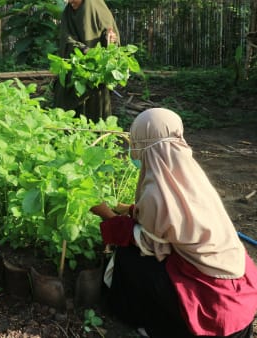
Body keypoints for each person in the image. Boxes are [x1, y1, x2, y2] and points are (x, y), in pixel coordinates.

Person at [90, 108, 257, 337]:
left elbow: (150, 243)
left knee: (129, 258)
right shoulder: (190, 173)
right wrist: (129, 209)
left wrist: (107, 215)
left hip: (215, 310)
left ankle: (150, 323)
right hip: (240, 297)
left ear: (142, 145)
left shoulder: (155, 193)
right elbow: (173, 220)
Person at [54, 0, 120, 122]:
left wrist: (109, 38)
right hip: (73, 69)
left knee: (94, 111)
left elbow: (111, 39)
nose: (68, 2)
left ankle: (95, 138)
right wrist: (83, 49)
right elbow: (66, 38)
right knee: (66, 106)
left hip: (95, 72)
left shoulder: (97, 8)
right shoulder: (68, 12)